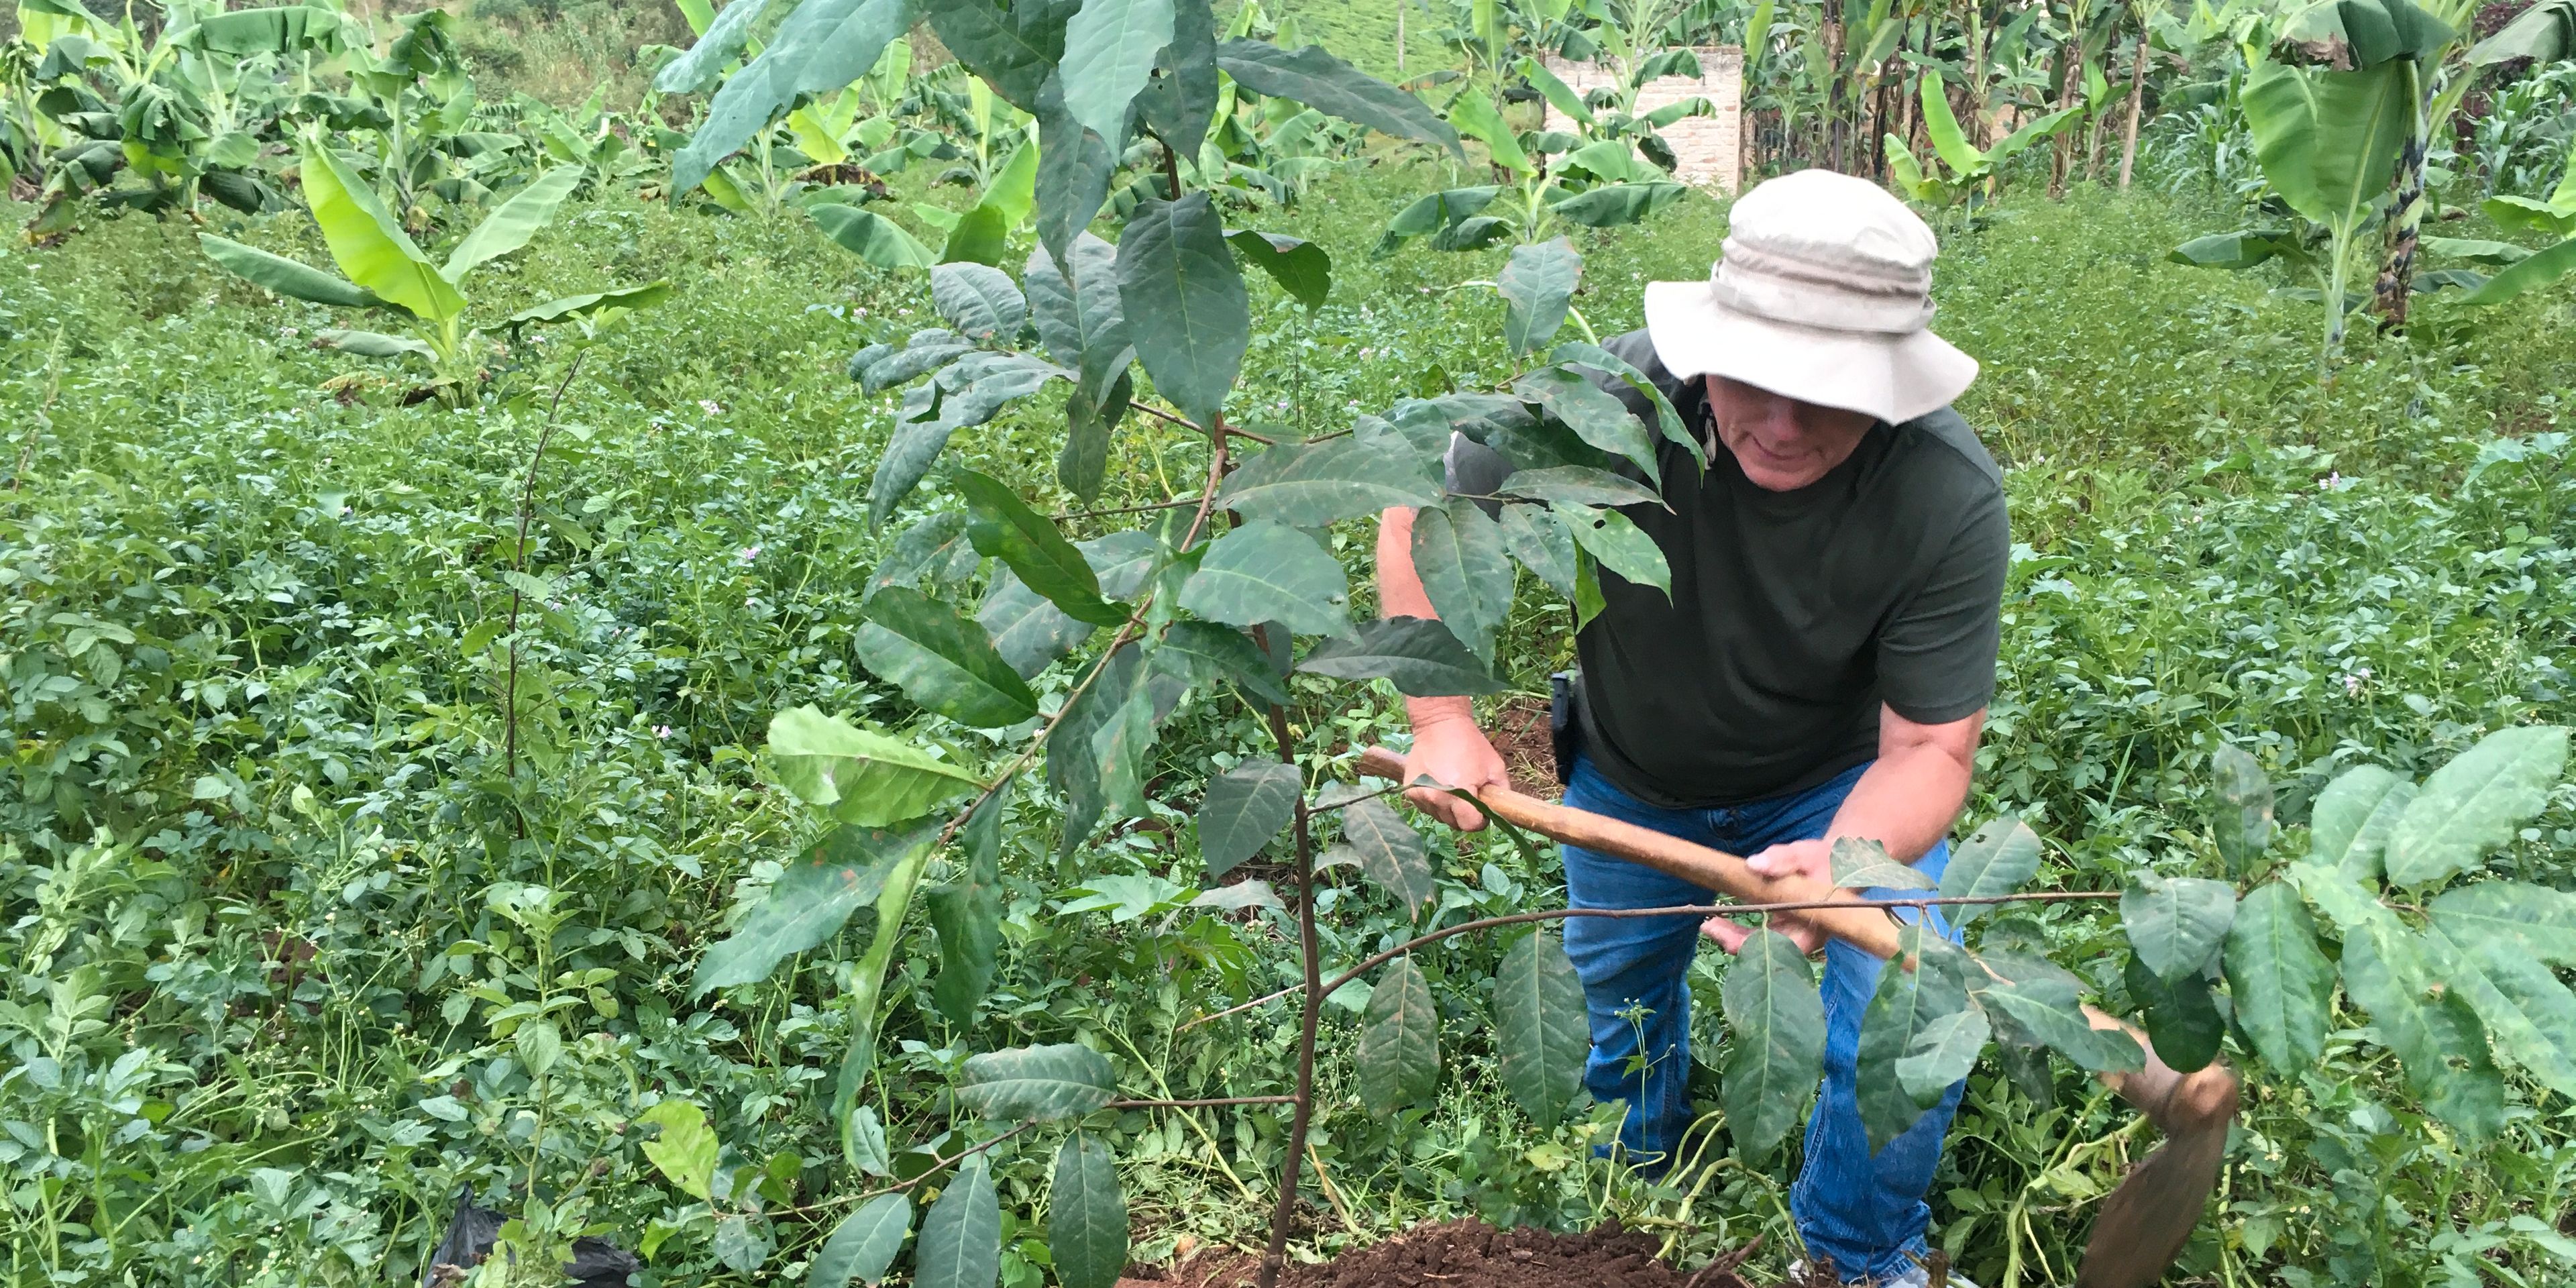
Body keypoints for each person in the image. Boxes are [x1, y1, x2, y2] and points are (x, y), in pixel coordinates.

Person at [1375, 169, 2008, 1287]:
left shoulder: (1942, 495)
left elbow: (1927, 750)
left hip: (1836, 787)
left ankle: (1859, 1256)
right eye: (1756, 379)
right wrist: (1439, 715)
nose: (1779, 422)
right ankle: (1630, 1214)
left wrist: (1839, 863)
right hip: (1633, 777)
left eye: (1828, 394)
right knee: (1614, 1019)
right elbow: (1421, 511)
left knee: (1916, 1012)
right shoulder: (1606, 402)